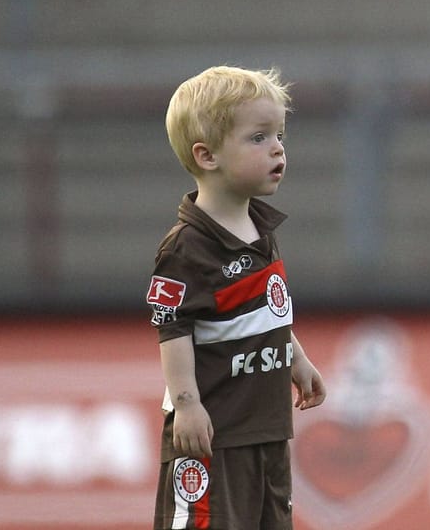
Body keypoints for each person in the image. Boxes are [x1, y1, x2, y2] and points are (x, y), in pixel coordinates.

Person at [149, 65, 326, 528]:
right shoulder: (186, 247)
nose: (278, 147)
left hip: (266, 430)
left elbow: (269, 309)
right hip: (213, 438)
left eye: (280, 135)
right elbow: (173, 328)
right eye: (258, 137)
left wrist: (295, 358)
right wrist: (187, 404)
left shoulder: (261, 228)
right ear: (207, 156)